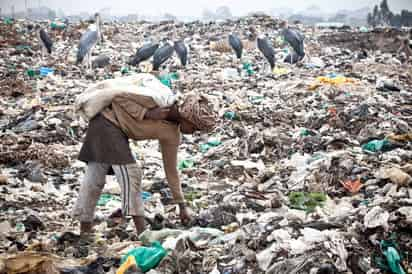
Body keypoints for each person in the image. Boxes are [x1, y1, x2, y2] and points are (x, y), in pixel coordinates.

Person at [72, 92, 217, 235]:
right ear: (187, 117)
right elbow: (119, 97)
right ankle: (143, 232)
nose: (193, 133)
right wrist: (146, 112)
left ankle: (85, 230)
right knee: (131, 174)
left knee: (94, 178)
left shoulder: (172, 134)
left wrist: (182, 205)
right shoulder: (158, 100)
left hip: (115, 131)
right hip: (107, 120)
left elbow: (171, 170)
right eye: (194, 128)